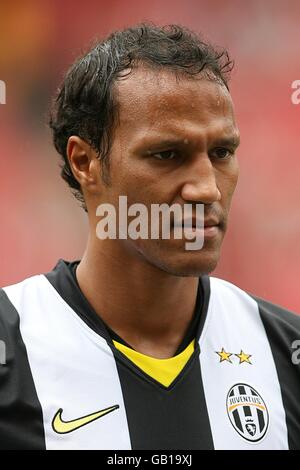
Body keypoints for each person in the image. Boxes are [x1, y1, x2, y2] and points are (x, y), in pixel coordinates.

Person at [0, 23, 299, 450]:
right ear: (85, 162)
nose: (207, 189)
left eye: (221, 153)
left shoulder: (285, 354)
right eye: (167, 155)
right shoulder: (11, 353)